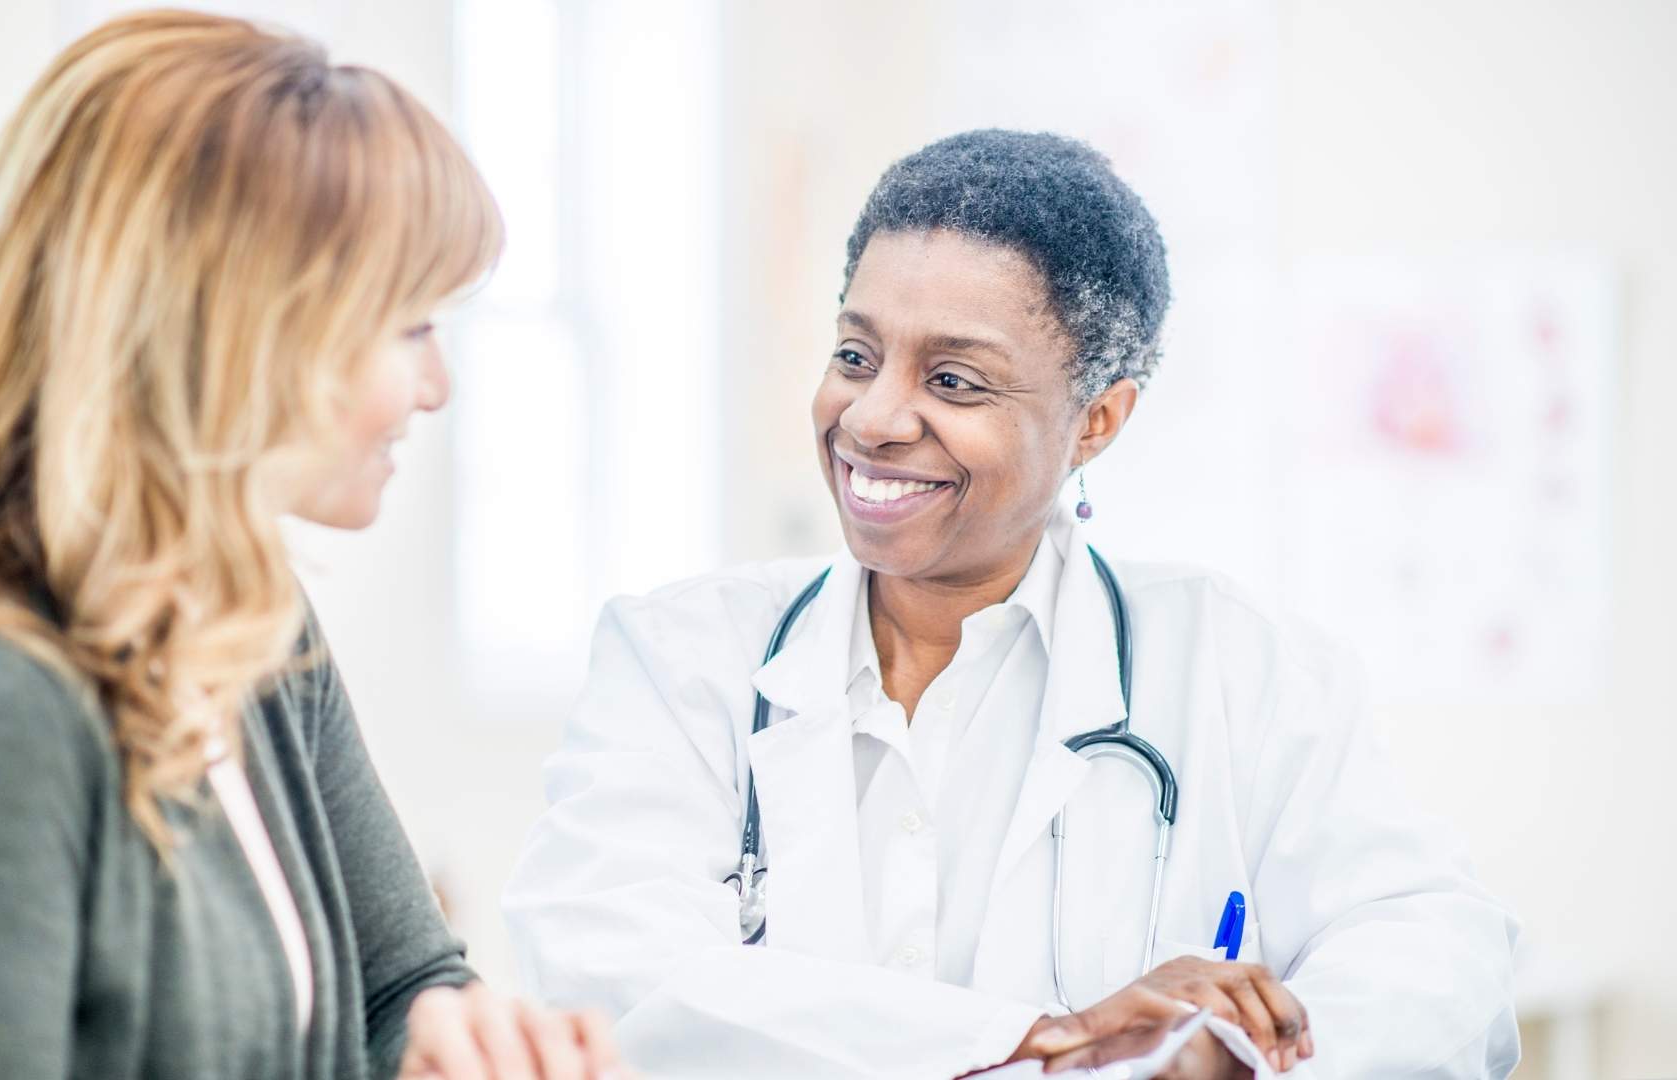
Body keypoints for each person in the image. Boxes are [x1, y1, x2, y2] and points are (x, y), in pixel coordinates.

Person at [503, 130, 1520, 1078]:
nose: (872, 416)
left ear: (1099, 421)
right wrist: (1041, 1043)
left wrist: (1228, 1057)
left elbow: (1440, 952)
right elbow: (609, 971)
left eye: (953, 379)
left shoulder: (1242, 668)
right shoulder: (682, 657)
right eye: (855, 354)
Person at [0, 12, 619, 1079]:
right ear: (241, 334)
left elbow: (398, 985)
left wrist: (462, 1043)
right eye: (407, 329)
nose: (435, 387)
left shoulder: (251, 629)